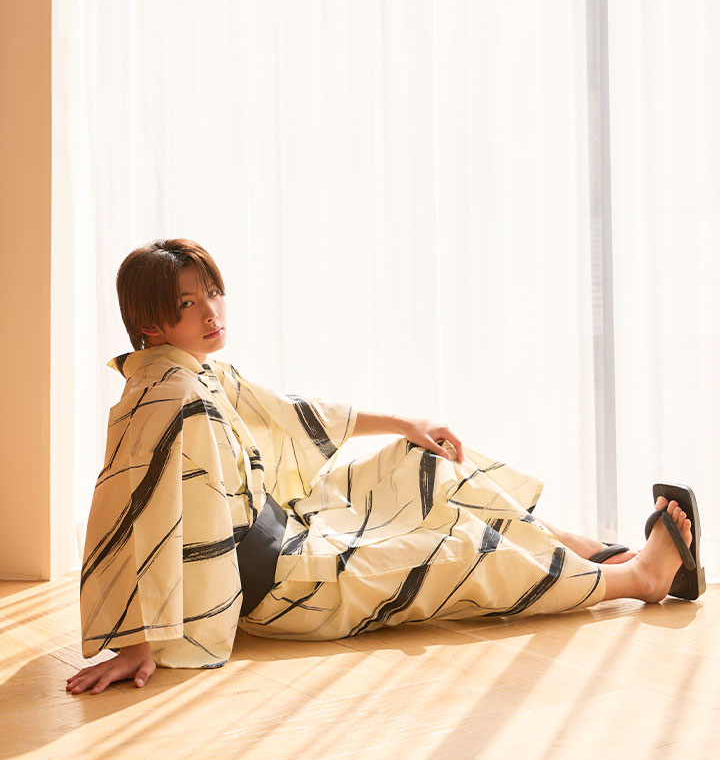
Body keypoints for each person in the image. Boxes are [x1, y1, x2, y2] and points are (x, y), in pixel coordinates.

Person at [67, 238, 705, 696]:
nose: (211, 312)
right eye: (188, 304)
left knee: (426, 466)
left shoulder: (196, 373)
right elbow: (134, 513)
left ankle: (595, 553)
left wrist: (405, 425)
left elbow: (291, 414)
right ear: (150, 323)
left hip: (294, 525)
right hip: (289, 585)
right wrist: (137, 640)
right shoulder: (167, 399)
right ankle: (638, 578)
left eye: (212, 292)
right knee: (462, 551)